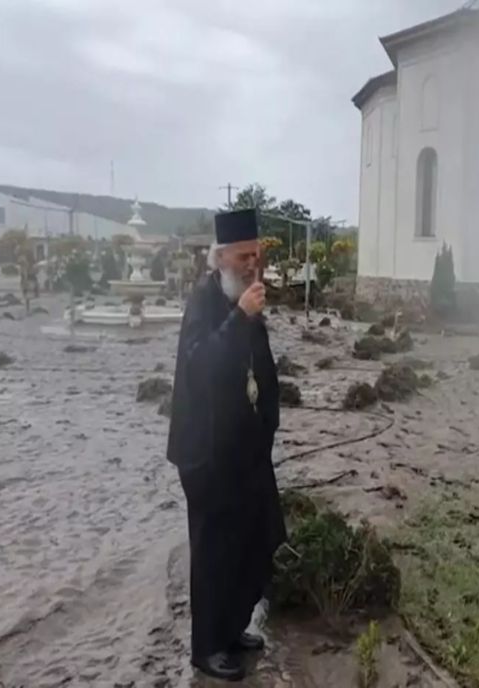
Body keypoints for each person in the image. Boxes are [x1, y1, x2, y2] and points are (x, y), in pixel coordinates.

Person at [166, 208, 286, 682]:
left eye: (257, 255)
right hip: (206, 451)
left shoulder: (244, 298)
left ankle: (234, 628)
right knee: (214, 551)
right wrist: (240, 317)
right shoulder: (206, 300)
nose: (253, 264)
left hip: (242, 449)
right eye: (244, 256)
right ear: (222, 258)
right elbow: (202, 365)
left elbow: (260, 368)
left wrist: (267, 425)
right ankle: (206, 648)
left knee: (247, 541)